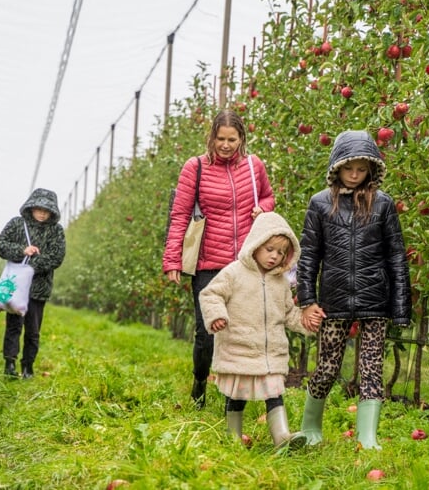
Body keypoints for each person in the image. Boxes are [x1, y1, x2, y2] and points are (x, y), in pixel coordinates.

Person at [296, 130, 412, 450]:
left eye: (362, 169)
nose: (355, 175)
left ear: (371, 169)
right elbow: (309, 255)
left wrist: (401, 307)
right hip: (333, 299)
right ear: (337, 167)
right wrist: (307, 300)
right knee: (327, 367)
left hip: (375, 299)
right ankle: (310, 427)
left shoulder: (383, 204)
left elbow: (396, 257)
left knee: (371, 368)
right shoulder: (320, 204)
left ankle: (367, 436)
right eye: (350, 169)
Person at [163, 109, 275, 409]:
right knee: (207, 332)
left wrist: (263, 209)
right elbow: (179, 215)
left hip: (244, 263)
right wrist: (172, 259)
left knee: (239, 332)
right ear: (211, 136)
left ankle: (232, 399)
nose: (226, 145)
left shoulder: (254, 167)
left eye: (232, 139)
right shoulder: (195, 167)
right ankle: (200, 381)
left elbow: (268, 196)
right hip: (208, 263)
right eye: (220, 138)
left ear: (242, 138)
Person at [198, 212, 316, 449]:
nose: (274, 256)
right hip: (239, 349)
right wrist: (217, 316)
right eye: (269, 249)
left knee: (274, 393)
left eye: (281, 252)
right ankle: (233, 436)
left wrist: (305, 321)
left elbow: (288, 313)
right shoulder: (234, 272)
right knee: (237, 395)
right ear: (256, 243)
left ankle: (281, 437)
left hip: (270, 353)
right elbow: (211, 294)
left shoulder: (280, 282)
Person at [0, 188, 66, 379]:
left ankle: (28, 366)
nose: (42, 213)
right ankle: (9, 364)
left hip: (38, 288)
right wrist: (22, 250)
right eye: (38, 208)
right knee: (13, 326)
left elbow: (57, 257)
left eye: (46, 210)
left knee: (33, 330)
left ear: (52, 211)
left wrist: (32, 266)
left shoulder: (55, 230)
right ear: (31, 207)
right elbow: (0, 244)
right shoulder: (17, 224)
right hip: (16, 287)